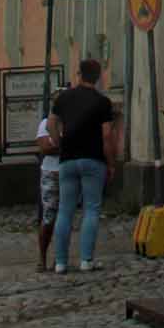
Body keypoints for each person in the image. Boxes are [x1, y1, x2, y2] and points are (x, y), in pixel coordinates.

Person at [47, 57, 118, 275]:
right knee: (91, 209)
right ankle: (86, 260)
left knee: (65, 211)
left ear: (79, 74)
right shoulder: (102, 102)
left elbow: (51, 123)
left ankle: (60, 262)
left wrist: (59, 143)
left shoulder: (63, 97)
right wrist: (111, 163)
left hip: (68, 159)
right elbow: (106, 135)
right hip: (93, 159)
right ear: (98, 77)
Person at [34, 101, 61, 271]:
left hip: (68, 171)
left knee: (64, 218)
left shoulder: (73, 122)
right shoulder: (45, 123)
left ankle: (60, 258)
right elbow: (45, 147)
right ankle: (42, 258)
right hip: (50, 172)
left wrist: (57, 145)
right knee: (48, 217)